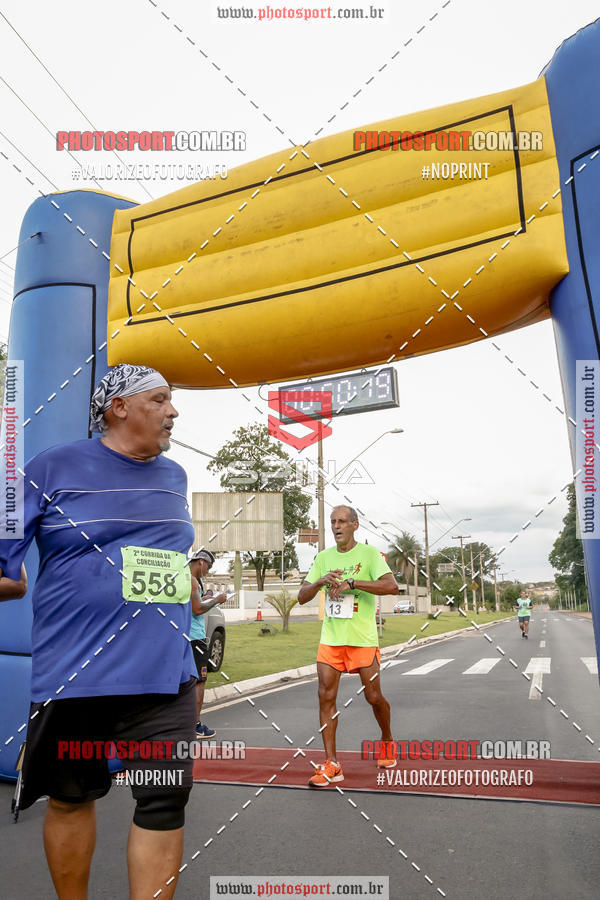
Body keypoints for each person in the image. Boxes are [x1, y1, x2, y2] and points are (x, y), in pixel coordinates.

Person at [0, 363, 197, 900]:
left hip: (164, 673)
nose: (173, 412)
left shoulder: (175, 476)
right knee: (70, 796)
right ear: (119, 408)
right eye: (159, 400)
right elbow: (6, 570)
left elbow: (168, 565)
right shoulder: (52, 467)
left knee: (164, 794)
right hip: (77, 673)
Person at [298, 505, 398, 787]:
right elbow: (302, 596)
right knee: (325, 696)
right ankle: (332, 764)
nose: (337, 526)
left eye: (342, 521)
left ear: (355, 525)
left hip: (362, 639)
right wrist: (319, 581)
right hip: (331, 639)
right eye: (333, 522)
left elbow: (391, 587)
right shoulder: (323, 557)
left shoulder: (370, 555)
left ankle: (387, 740)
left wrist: (353, 582)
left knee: (373, 697)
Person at [188, 549, 227, 738]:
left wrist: (205, 599)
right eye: (208, 567)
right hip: (195, 638)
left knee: (186, 682)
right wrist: (216, 600)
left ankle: (184, 724)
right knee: (200, 682)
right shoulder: (192, 580)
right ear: (201, 562)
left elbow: (193, 603)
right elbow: (196, 609)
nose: (207, 571)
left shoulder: (185, 578)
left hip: (185, 637)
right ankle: (195, 725)